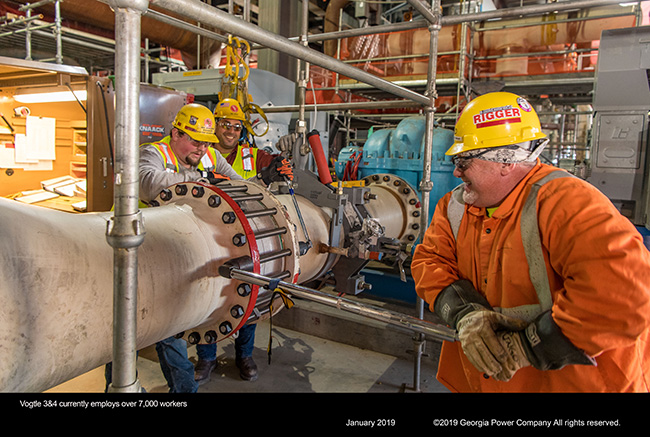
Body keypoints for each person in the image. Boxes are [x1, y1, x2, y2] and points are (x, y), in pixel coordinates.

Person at [411, 91, 650, 392]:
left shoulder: (568, 203)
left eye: (465, 161)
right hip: (485, 383)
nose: (456, 171)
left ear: (507, 161)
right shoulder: (454, 207)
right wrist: (464, 312)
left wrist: (530, 345)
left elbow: (624, 295)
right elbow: (429, 261)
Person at [137, 102, 291, 392]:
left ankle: (212, 370)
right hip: (150, 250)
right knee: (167, 326)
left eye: (206, 143)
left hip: (197, 249)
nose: (201, 149)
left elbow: (239, 187)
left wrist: (265, 178)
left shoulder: (212, 156)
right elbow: (148, 183)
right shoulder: (155, 153)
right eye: (195, 141)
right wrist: (202, 180)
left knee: (205, 307)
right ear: (176, 133)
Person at [193, 98, 289, 384]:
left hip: (249, 236)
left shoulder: (251, 155)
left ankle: (244, 355)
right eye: (225, 124)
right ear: (215, 125)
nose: (231, 131)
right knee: (209, 297)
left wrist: (278, 167)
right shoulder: (202, 152)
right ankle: (206, 358)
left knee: (249, 294)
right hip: (209, 233)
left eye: (236, 127)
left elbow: (269, 171)